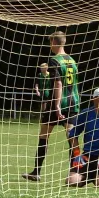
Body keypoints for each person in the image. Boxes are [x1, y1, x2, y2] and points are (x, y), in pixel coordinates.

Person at [22, 31, 80, 181]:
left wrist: (57, 105)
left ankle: (36, 172)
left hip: (58, 104)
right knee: (72, 139)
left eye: (50, 42)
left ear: (54, 42)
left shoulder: (54, 60)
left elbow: (58, 83)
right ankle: (75, 172)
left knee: (44, 137)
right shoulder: (72, 61)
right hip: (73, 103)